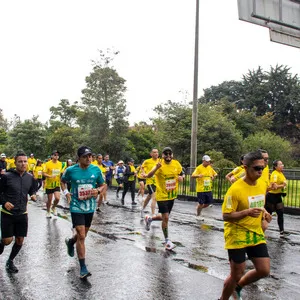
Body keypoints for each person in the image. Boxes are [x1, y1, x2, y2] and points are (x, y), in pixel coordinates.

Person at [219, 151, 272, 300]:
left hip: (255, 232)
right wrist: (247, 212)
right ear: (245, 167)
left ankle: (238, 286)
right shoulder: (235, 189)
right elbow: (226, 216)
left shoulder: (262, 183)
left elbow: (258, 202)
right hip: (237, 234)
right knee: (237, 273)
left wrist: (265, 213)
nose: (260, 171)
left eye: (262, 167)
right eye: (256, 168)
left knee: (264, 270)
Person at [61, 146, 105, 279]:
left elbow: (103, 185)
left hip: (90, 207)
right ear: (79, 158)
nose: (89, 158)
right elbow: (63, 181)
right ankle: (83, 268)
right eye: (85, 156)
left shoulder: (96, 169)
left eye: (90, 156)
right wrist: (66, 192)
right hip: (76, 205)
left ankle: (70, 242)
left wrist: (98, 190)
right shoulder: (70, 170)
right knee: (81, 235)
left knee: (83, 235)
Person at [0, 151, 36, 273]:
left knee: (20, 240)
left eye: (25, 161)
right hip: (8, 214)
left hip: (22, 213)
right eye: (20, 161)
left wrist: (33, 195)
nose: (23, 164)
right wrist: (4, 202)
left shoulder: (30, 177)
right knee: (7, 241)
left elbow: (32, 190)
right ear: (15, 163)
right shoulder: (6, 177)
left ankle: (10, 261)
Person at [144, 147, 183, 250]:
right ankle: (167, 241)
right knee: (165, 218)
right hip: (161, 195)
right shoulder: (159, 164)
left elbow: (181, 173)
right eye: (166, 154)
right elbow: (149, 175)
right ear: (162, 155)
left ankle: (150, 219)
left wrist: (181, 178)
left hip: (172, 195)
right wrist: (156, 168)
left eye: (170, 154)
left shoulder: (176, 163)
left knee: (164, 217)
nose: (168, 156)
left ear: (172, 155)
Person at [265, 160, 289, 237]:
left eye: (282, 164)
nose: (282, 165)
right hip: (271, 197)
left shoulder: (280, 173)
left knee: (280, 213)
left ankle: (281, 231)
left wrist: (283, 188)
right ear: (275, 167)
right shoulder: (275, 174)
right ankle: (261, 230)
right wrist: (283, 185)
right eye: (280, 164)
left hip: (278, 196)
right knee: (268, 215)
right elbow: (274, 187)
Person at [191, 155, 218, 220]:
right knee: (201, 203)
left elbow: (215, 174)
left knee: (208, 203)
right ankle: (198, 215)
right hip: (201, 189)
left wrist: (213, 176)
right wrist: (198, 175)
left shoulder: (209, 167)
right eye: (207, 161)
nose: (208, 163)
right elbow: (192, 176)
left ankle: (199, 208)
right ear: (203, 161)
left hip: (208, 189)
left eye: (209, 161)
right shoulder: (199, 168)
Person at [43, 150, 63, 218]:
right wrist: (50, 176)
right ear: (52, 156)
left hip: (56, 184)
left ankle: (53, 207)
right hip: (49, 184)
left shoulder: (60, 164)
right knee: (50, 199)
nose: (56, 156)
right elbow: (44, 173)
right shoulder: (47, 164)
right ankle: (48, 211)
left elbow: (61, 173)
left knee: (57, 198)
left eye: (57, 155)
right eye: (54, 155)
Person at [140, 148, 159, 217]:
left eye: (157, 152)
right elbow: (142, 167)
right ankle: (153, 214)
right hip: (150, 181)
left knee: (149, 196)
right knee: (154, 196)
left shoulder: (160, 161)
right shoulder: (147, 161)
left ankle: (142, 208)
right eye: (154, 152)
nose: (156, 153)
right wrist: (144, 173)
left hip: (157, 182)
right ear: (151, 154)